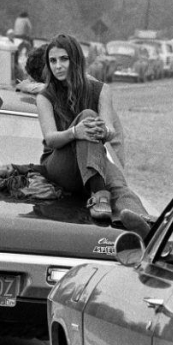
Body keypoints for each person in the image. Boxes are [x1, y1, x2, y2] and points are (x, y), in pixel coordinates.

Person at [35, 34, 152, 235]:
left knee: (118, 183)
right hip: (59, 166)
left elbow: (110, 130)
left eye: (64, 59)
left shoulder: (101, 90)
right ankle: (99, 193)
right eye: (53, 61)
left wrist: (103, 131)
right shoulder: (45, 96)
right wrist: (75, 132)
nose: (58, 66)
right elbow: (51, 139)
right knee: (88, 116)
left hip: (90, 161)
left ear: (75, 60)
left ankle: (145, 226)